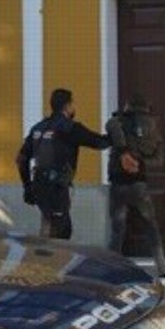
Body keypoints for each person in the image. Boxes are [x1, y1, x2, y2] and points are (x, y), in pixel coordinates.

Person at [16, 88, 110, 240]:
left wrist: (27, 186)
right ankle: (47, 261)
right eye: (73, 104)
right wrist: (116, 134)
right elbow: (99, 143)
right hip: (57, 187)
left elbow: (21, 159)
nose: (74, 108)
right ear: (67, 106)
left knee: (49, 223)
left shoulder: (38, 128)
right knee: (60, 231)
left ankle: (43, 259)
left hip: (39, 184)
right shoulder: (70, 128)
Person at [107, 93, 165, 285]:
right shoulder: (153, 127)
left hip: (118, 183)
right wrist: (138, 160)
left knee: (118, 229)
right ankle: (161, 268)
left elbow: (110, 127)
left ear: (127, 105)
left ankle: (112, 269)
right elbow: (158, 158)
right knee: (151, 227)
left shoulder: (116, 121)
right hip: (139, 184)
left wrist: (122, 153)